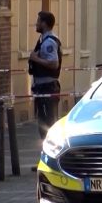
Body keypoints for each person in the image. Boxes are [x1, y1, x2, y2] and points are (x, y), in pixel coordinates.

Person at [29, 11, 63, 140]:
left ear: (44, 23)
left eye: (38, 21)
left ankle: (51, 150)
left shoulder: (49, 42)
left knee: (47, 122)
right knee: (44, 121)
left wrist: (35, 59)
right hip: (42, 86)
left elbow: (54, 63)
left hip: (47, 86)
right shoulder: (43, 40)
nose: (36, 24)